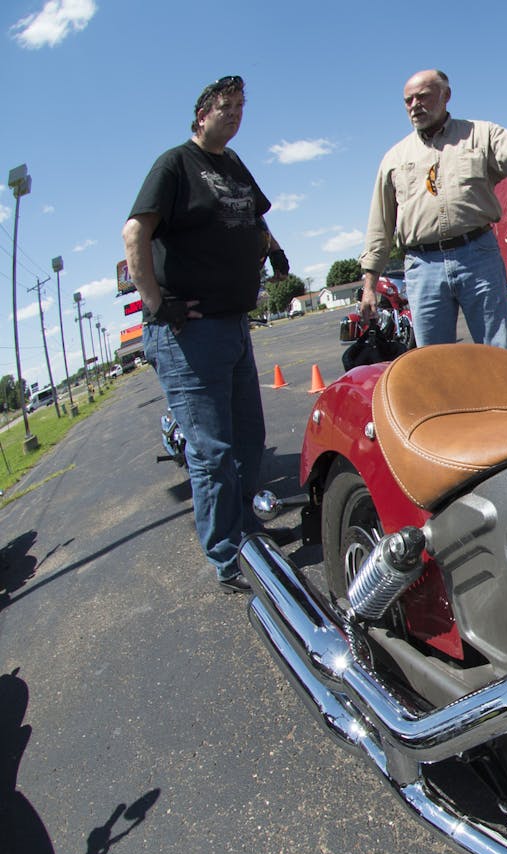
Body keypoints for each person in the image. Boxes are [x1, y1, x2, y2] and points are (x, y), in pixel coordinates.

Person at [122, 75, 287, 593]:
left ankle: (247, 531)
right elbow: (135, 232)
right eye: (225, 107)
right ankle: (225, 553)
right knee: (212, 450)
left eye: (242, 106)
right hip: (189, 335)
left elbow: (255, 218)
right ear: (201, 115)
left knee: (248, 439)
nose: (236, 114)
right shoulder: (175, 164)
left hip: (234, 324)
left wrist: (275, 250)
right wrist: (156, 302)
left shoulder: (234, 165)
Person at [359, 69, 507, 348]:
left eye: (423, 96)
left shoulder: (481, 135)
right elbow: (380, 225)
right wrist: (369, 286)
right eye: (408, 100)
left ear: (446, 95)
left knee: (496, 350)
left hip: (476, 255)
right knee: (433, 360)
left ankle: (505, 395)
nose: (415, 105)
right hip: (422, 265)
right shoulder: (394, 159)